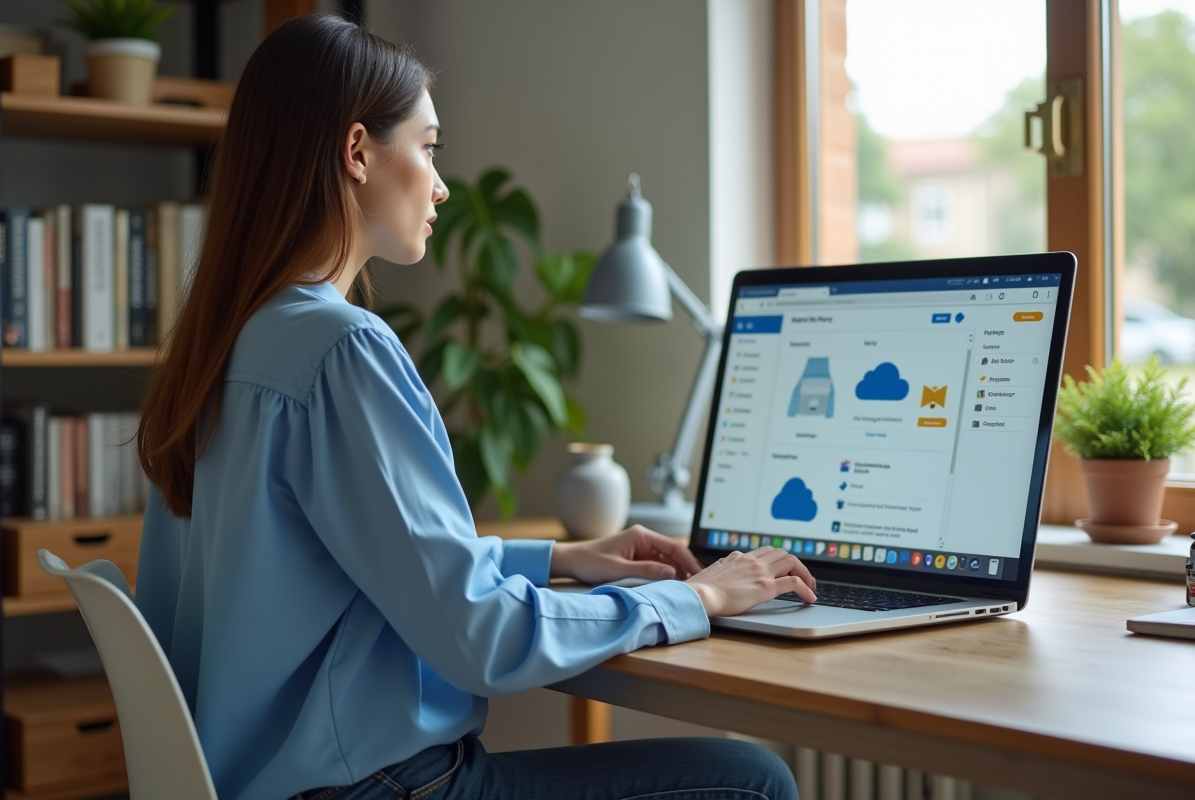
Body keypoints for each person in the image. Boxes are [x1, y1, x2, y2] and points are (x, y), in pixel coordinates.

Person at [136, 14, 816, 800]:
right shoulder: (341, 352)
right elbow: (477, 637)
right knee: (753, 780)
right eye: (427, 148)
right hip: (380, 789)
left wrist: (560, 559)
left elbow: (368, 566)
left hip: (269, 785)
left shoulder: (221, 350)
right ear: (357, 152)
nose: (441, 182)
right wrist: (696, 596)